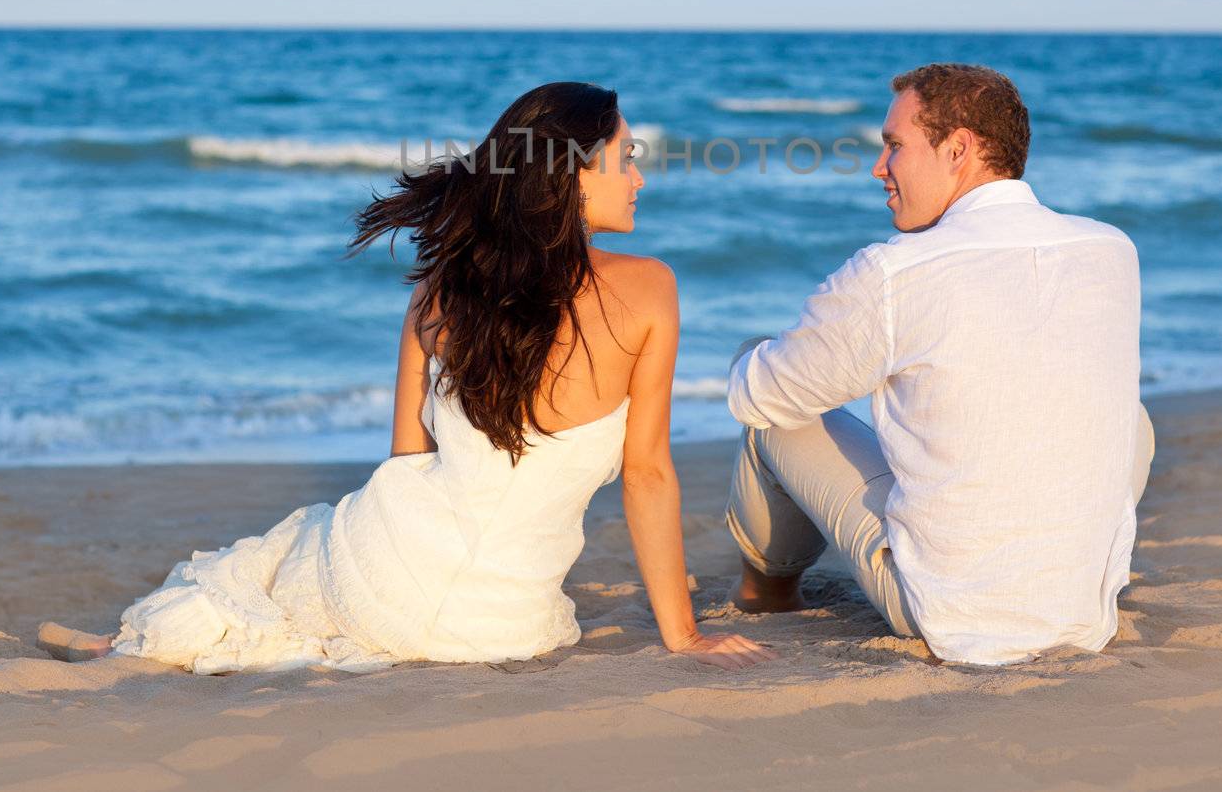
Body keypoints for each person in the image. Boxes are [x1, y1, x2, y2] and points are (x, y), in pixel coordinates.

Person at [39, 82, 772, 673]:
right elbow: (646, 473)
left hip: (384, 571)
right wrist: (682, 635)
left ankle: (122, 646)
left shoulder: (441, 290)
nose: (640, 175)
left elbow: (406, 461)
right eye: (626, 156)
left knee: (274, 562)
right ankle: (129, 646)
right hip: (503, 623)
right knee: (284, 564)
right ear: (572, 174)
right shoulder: (652, 290)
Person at [724, 63, 1154, 666]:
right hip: (1082, 613)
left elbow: (762, 397)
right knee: (1129, 417)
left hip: (952, 614)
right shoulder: (1111, 249)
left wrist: (768, 360)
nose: (879, 168)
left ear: (958, 150)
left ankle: (766, 595)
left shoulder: (897, 271)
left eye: (894, 147)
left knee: (765, 387)